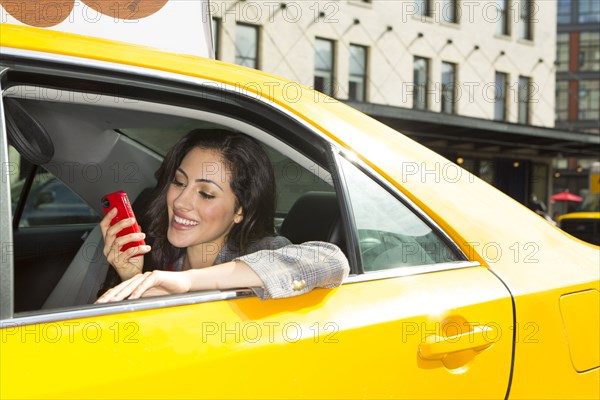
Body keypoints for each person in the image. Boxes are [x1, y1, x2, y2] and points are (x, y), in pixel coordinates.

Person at [96, 129, 349, 303]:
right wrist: (134, 278)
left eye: (206, 194)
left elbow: (331, 262)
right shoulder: (157, 247)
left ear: (240, 210)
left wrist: (188, 281)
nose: (181, 201)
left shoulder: (259, 250)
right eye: (179, 182)